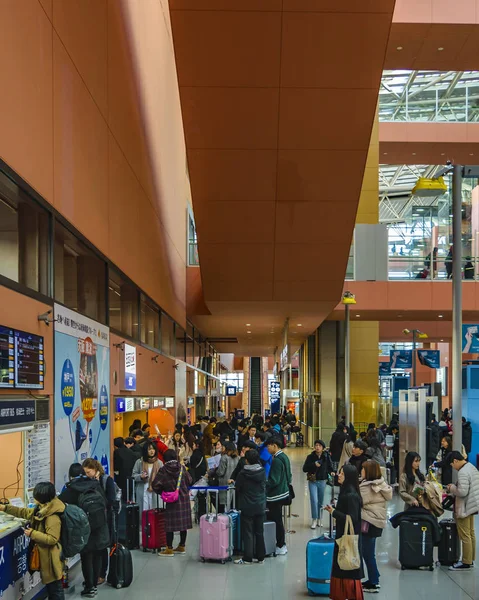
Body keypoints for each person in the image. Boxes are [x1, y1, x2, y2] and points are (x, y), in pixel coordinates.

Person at [0, 482, 65, 600]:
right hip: (47, 556)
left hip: (52, 558)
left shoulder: (52, 517)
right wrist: (5, 508)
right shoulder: (43, 509)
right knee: (52, 587)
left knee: (55, 588)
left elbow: (52, 539)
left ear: (41, 498)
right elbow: (25, 513)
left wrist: (32, 533)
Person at [59, 464, 109, 597]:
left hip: (83, 528)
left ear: (70, 476)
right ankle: (94, 584)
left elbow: (59, 504)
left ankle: (89, 587)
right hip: (99, 525)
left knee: (86, 556)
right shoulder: (94, 484)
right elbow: (104, 501)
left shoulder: (71, 489)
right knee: (97, 554)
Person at [325, 464, 364, 600]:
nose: (338, 475)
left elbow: (352, 518)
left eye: (341, 473)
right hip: (344, 535)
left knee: (346, 566)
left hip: (347, 537)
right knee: (342, 566)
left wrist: (334, 512)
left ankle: (347, 594)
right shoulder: (346, 491)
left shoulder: (351, 495)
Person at [82, 458, 118, 585]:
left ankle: (102, 574)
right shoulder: (87, 481)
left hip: (105, 518)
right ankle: (93, 574)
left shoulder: (106, 480)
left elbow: (111, 500)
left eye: (89, 472)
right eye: (85, 472)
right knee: (93, 547)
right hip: (91, 519)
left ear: (95, 469)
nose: (87, 475)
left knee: (102, 547)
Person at [359, 460, 392, 593]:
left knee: (367, 553)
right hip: (375, 522)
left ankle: (374, 582)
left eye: (363, 469)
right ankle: (374, 577)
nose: (361, 471)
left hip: (369, 522)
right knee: (368, 553)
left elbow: (359, 501)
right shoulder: (380, 483)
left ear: (369, 471)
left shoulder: (369, 487)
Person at [153, 449, 193, 556]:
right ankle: (182, 546)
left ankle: (169, 548)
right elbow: (190, 480)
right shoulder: (182, 468)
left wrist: (163, 492)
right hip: (184, 499)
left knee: (169, 524)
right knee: (183, 524)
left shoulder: (164, 470)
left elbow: (155, 484)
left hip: (171, 500)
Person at [446, 451, 479, 570]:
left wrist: (451, 488)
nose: (453, 468)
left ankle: (465, 562)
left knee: (465, 535)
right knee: (470, 533)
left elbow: (462, 491)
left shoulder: (463, 472)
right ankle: (470, 559)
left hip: (465, 506)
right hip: (473, 504)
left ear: (455, 461)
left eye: (452, 465)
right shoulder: (471, 467)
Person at [234, 449, 266, 565]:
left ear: (246, 460)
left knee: (248, 532)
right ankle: (261, 556)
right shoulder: (262, 471)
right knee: (259, 531)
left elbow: (238, 487)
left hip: (247, 506)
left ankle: (248, 557)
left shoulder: (243, 473)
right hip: (260, 505)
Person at [265, 437, 292, 555]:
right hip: (284, 492)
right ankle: (280, 544)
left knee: (276, 521)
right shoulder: (284, 457)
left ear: (275, 445)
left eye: (268, 446)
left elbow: (274, 480)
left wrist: (264, 484)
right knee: (278, 520)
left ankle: (281, 544)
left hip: (276, 495)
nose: (267, 448)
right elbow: (289, 475)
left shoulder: (276, 460)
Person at [302, 440, 334, 529]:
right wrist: (314, 465)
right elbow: (304, 469)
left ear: (323, 448)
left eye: (319, 445)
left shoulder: (326, 457)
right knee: (314, 500)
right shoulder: (310, 457)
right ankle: (314, 519)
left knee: (320, 501)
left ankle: (320, 519)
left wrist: (331, 472)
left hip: (322, 481)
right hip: (313, 481)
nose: (317, 447)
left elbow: (330, 467)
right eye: (316, 445)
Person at [132, 440, 163, 520]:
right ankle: (143, 528)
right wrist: (140, 476)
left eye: (153, 449)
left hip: (155, 491)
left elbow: (163, 477)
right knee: (143, 511)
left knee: (154, 511)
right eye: (149, 449)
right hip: (143, 490)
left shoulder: (159, 463)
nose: (152, 451)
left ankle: (153, 529)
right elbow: (133, 475)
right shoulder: (139, 462)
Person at [217, 441, 239, 513]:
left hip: (224, 483)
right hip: (234, 483)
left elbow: (220, 472)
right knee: (233, 504)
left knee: (225, 506)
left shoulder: (224, 458)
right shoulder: (238, 458)